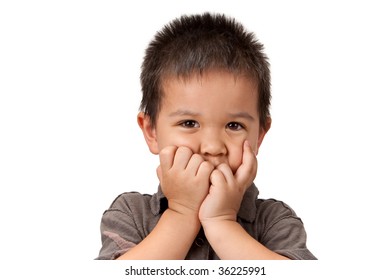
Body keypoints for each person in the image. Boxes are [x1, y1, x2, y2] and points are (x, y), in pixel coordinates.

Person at [96, 12, 316, 260]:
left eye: (234, 125)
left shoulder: (274, 219)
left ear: (259, 136)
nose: (212, 147)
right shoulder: (130, 213)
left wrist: (222, 222)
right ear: (151, 132)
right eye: (189, 123)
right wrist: (181, 213)